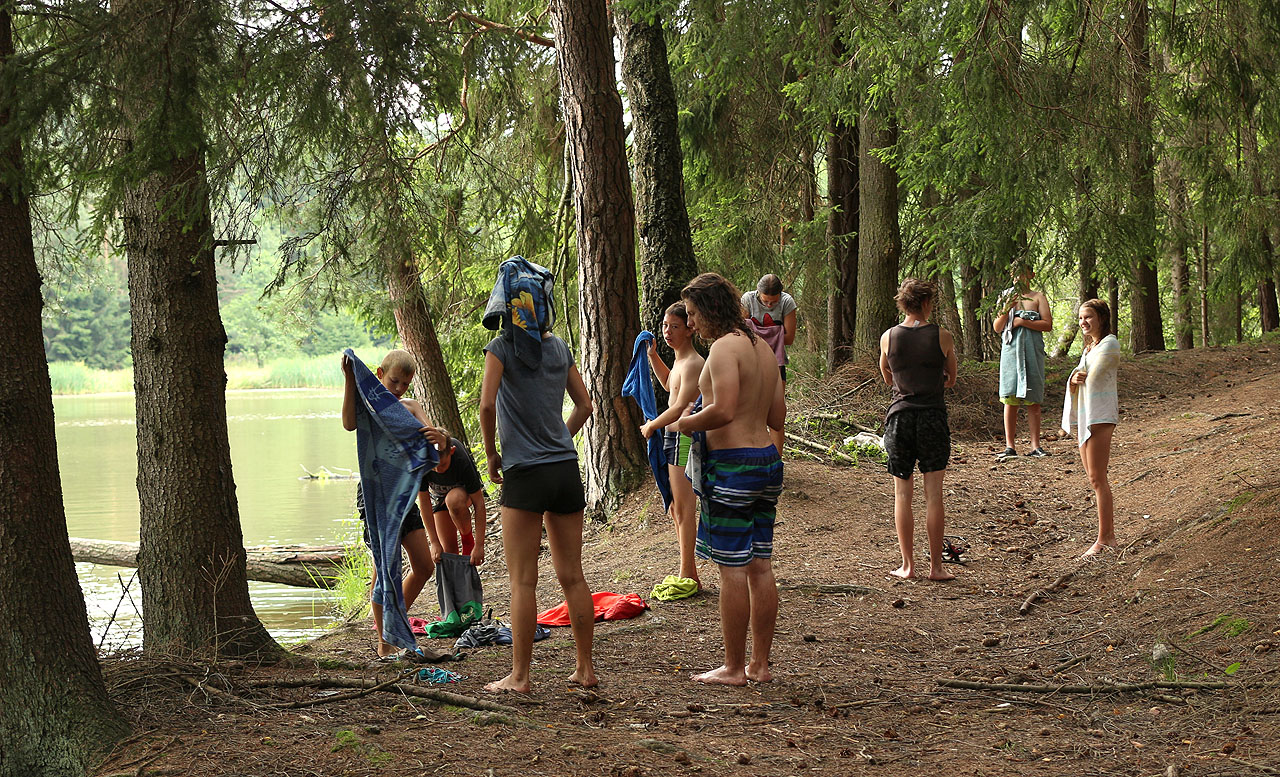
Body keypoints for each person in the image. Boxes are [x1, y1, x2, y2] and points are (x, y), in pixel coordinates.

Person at [479, 258, 596, 693]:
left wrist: (492, 455)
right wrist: (559, 441)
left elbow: (487, 405)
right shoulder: (559, 347)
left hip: (524, 474)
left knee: (522, 580)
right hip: (564, 470)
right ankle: (585, 669)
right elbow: (585, 406)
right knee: (573, 575)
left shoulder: (501, 348)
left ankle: (521, 676)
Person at [669, 272, 785, 686]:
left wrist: (686, 422)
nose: (692, 322)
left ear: (711, 310)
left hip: (733, 468)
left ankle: (734, 667)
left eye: (695, 313)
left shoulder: (722, 349)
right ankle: (760, 665)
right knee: (759, 565)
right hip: (766, 463)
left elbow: (725, 410)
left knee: (732, 569)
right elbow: (776, 418)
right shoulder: (764, 350)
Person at [341, 349, 448, 657]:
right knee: (384, 571)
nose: (399, 388)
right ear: (379, 374)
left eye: (405, 383)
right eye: (394, 381)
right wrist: (350, 379)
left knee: (423, 565)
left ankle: (394, 621)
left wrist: (439, 438)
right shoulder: (369, 407)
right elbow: (349, 424)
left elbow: (435, 441)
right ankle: (384, 645)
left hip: (403, 494)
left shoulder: (410, 408)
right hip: (375, 494)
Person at [878, 279, 959, 581]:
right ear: (927, 304)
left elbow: (886, 375)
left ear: (903, 304)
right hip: (932, 419)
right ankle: (936, 567)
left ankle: (907, 565)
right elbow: (951, 378)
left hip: (899, 420)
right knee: (933, 494)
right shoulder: (943, 336)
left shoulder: (888, 337)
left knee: (902, 494)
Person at [639, 302, 706, 589]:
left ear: (689, 330)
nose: (667, 332)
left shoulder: (694, 363)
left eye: (674, 327)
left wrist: (652, 424)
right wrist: (653, 356)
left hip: (684, 435)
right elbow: (669, 384)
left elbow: (680, 406)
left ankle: (688, 573)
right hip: (672, 437)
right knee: (676, 507)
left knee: (684, 506)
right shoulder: (679, 360)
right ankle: (688, 570)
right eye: (665, 326)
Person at [1062, 299, 1121, 557]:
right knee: (1093, 479)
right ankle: (1105, 536)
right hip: (1088, 415)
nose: (1083, 322)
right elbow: (1080, 376)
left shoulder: (1109, 344)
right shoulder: (1089, 348)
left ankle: (1106, 538)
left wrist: (1079, 375)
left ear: (1101, 319)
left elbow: (1094, 376)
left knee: (1099, 479)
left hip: (1101, 415)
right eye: (1080, 319)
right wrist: (1073, 378)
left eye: (1088, 317)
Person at [993, 264, 1053, 459]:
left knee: (1033, 398)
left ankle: (1035, 445)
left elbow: (1047, 324)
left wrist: (1023, 322)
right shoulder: (1006, 296)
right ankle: (1010, 446)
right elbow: (997, 327)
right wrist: (1006, 309)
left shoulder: (1038, 297)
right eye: (1014, 273)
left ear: (1031, 275)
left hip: (1032, 352)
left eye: (1022, 273)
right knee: (1010, 398)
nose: (1018, 277)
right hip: (1011, 353)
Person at [741, 274, 797, 454]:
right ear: (758, 293)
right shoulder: (748, 300)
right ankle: (753, 457)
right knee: (750, 410)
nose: (770, 306)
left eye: (774, 302)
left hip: (776, 363)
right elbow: (741, 331)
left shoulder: (787, 302)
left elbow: (789, 338)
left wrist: (757, 331)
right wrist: (774, 331)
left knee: (776, 413)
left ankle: (776, 461)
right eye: (766, 301)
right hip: (751, 361)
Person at [419, 438, 487, 568]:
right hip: (439, 499)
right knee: (447, 553)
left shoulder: (460, 460)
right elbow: (424, 503)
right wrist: (434, 542)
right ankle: (458, 583)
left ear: (452, 451)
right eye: (434, 466)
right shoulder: (422, 461)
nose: (438, 470)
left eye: (443, 464)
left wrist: (479, 545)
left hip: (461, 495)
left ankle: (467, 540)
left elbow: (479, 503)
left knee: (453, 500)